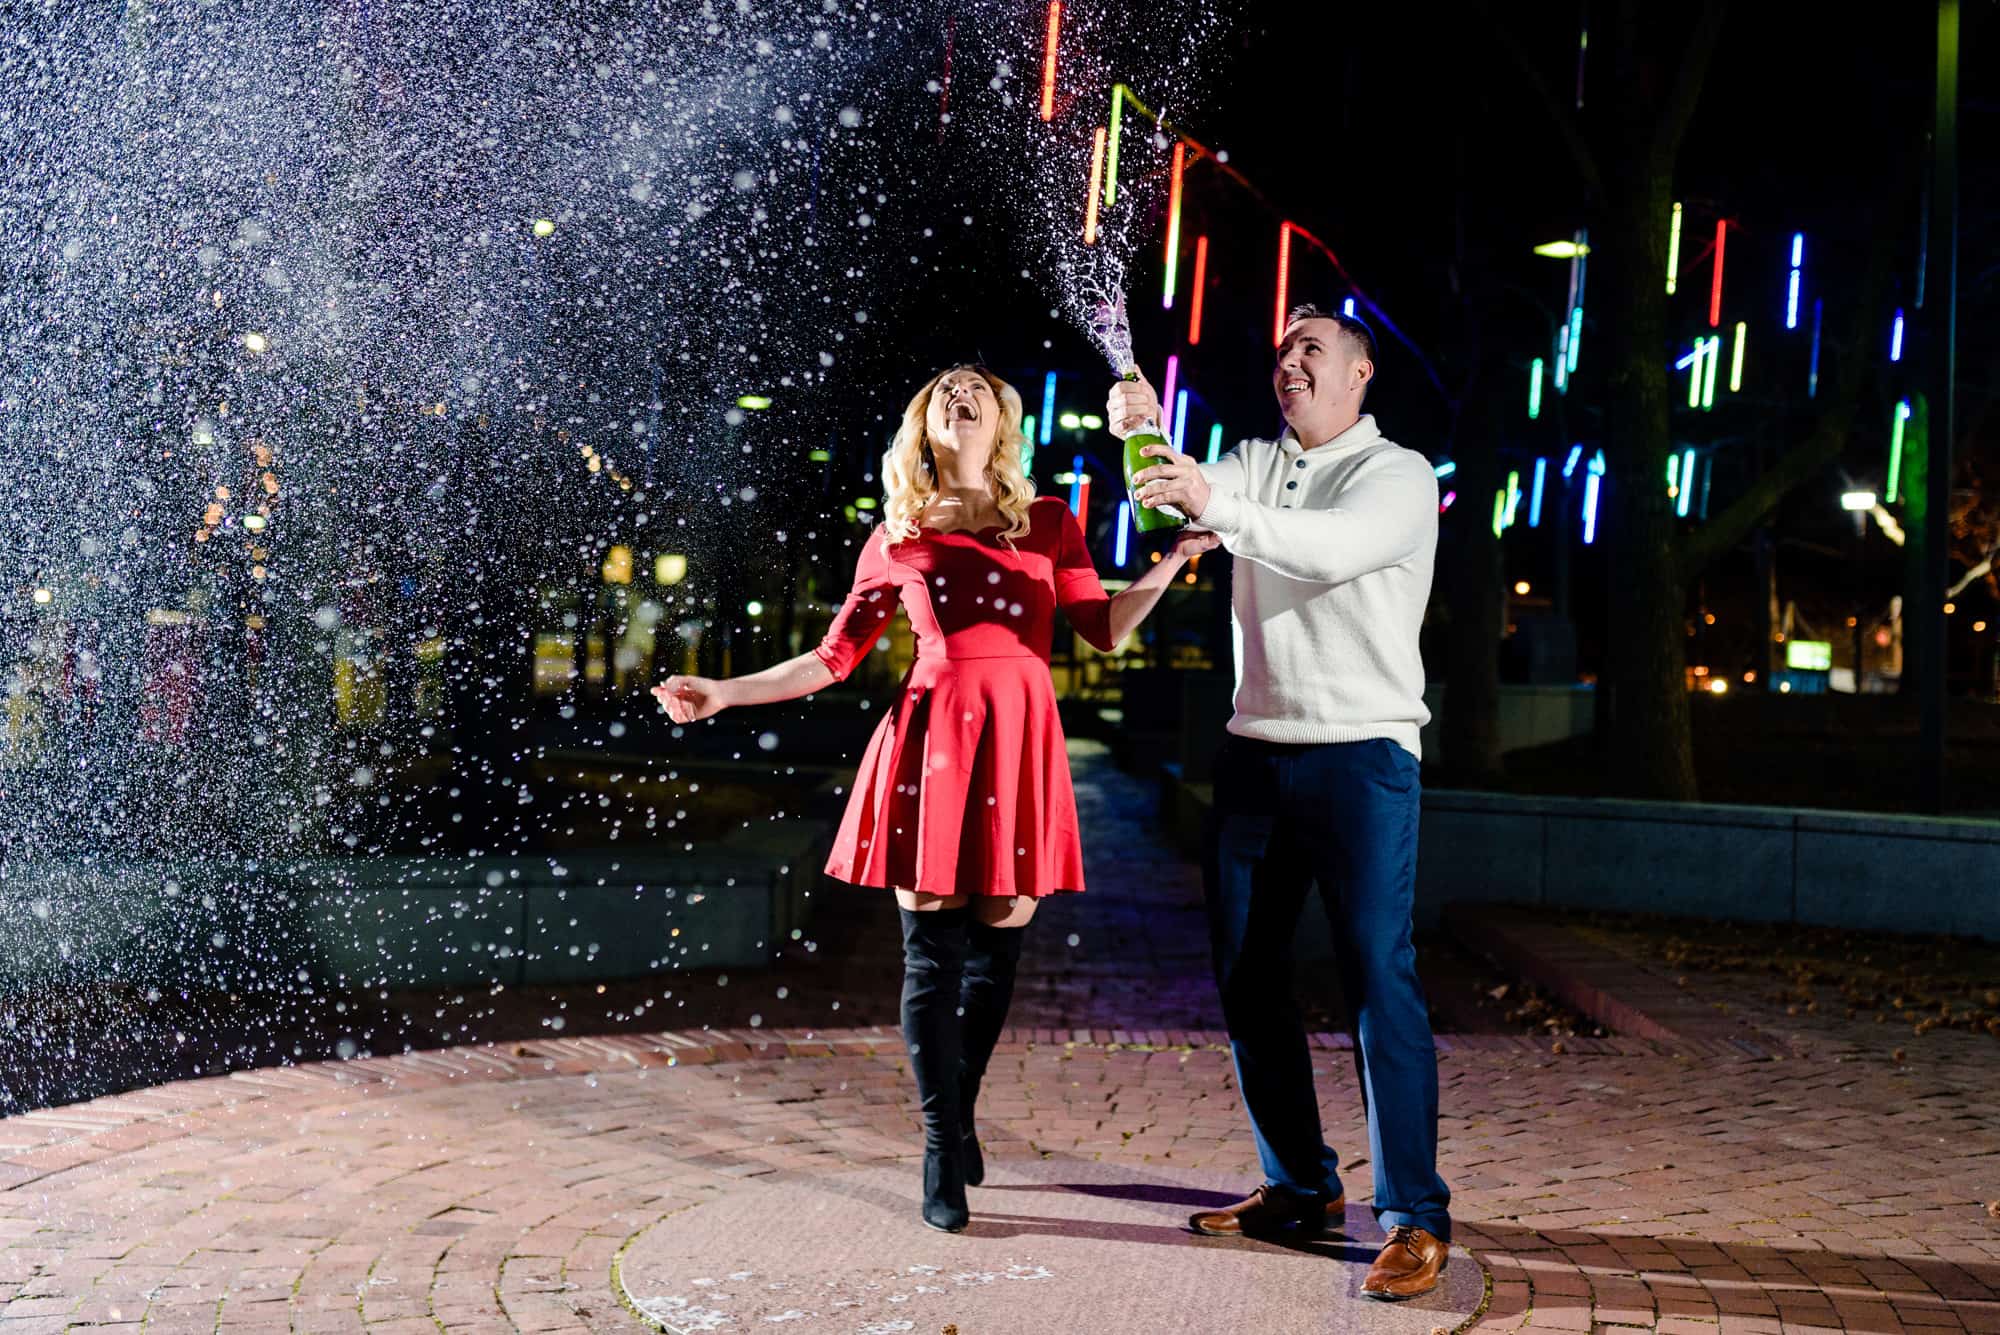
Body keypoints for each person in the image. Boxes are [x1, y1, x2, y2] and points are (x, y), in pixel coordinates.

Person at [655, 365, 1213, 1233]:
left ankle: (957, 1111)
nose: (963, 393)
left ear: (1001, 420)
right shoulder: (899, 534)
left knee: (997, 953)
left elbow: (1101, 627)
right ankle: (937, 1143)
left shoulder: (1053, 523)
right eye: (945, 388)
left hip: (1019, 739)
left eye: (977, 387)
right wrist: (724, 691)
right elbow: (831, 660)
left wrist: (1173, 559)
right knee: (930, 958)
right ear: (927, 425)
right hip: (935, 740)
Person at [1107, 305, 1451, 1300]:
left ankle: (1412, 1216)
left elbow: (1325, 548)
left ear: (1359, 374)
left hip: (1362, 759)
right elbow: (1175, 510)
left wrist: (1215, 500)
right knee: (1247, 979)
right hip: (1255, 756)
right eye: (1279, 353)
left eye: (1311, 350)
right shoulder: (1252, 462)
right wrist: (1140, 437)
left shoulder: (1396, 477)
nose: (1288, 364)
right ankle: (1299, 1186)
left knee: (1375, 980)